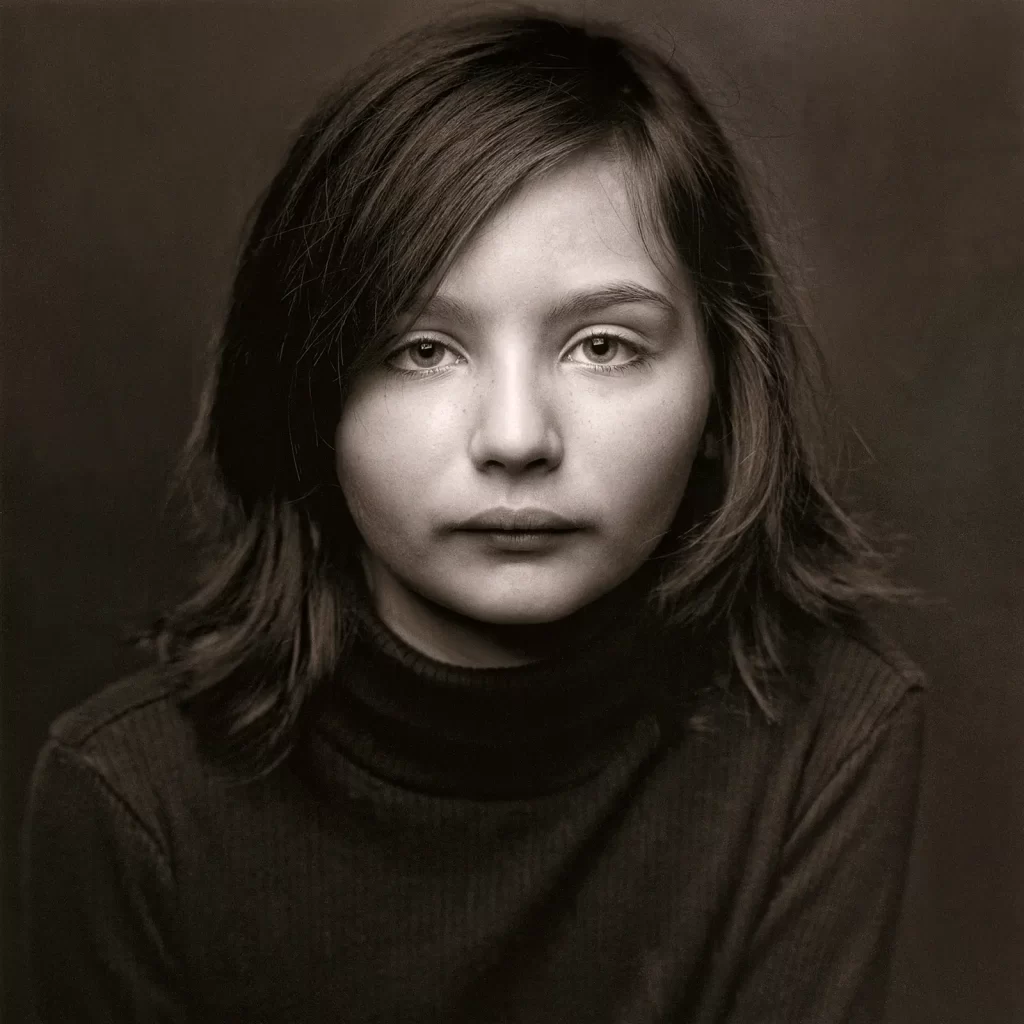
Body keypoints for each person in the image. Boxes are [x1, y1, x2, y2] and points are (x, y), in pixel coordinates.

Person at [20, 8, 925, 1023]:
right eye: (421, 348)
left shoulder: (830, 735)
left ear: (723, 387)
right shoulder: (130, 800)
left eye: (601, 345)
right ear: (307, 392)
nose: (514, 437)